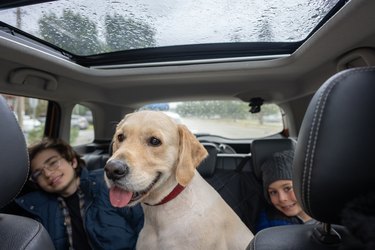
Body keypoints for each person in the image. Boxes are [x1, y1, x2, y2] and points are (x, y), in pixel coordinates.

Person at [14, 137, 144, 250]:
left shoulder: (108, 184)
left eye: (53, 163)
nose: (47, 174)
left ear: (72, 161)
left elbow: (145, 227)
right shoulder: (35, 207)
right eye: (38, 173)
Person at [255, 149, 317, 232]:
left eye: (287, 188)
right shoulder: (268, 224)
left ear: (304, 186)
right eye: (273, 192)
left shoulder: (333, 215)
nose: (281, 198)